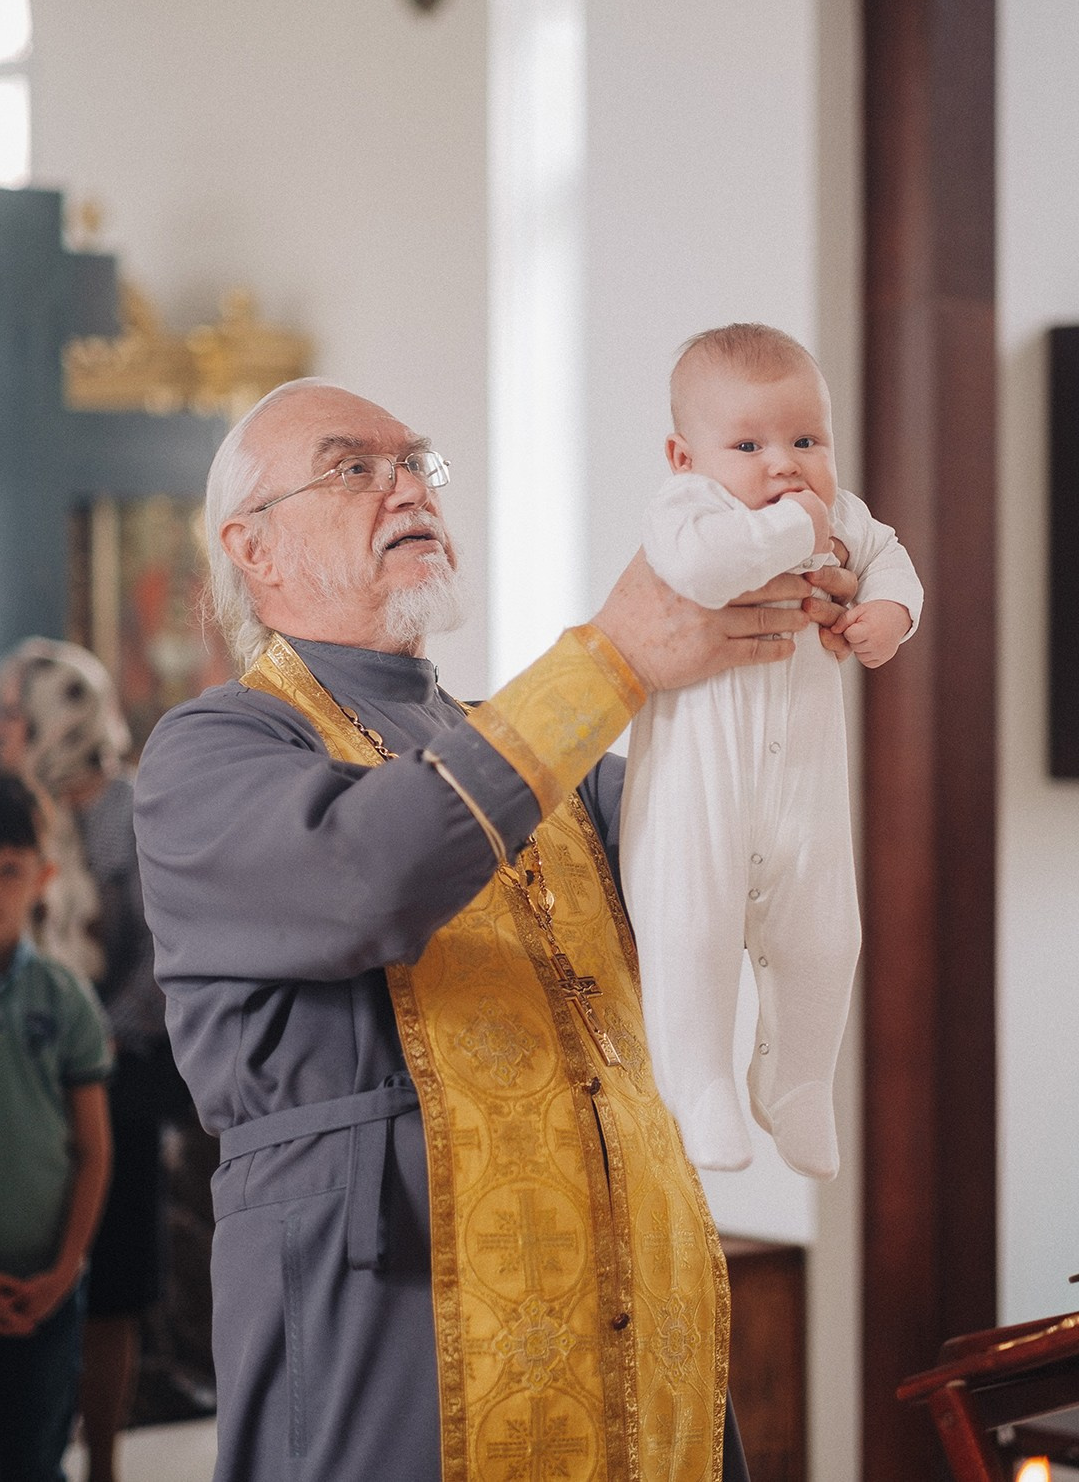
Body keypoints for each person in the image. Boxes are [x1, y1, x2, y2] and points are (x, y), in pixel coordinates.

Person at [133, 376, 857, 1482]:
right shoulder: (212, 751)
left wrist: (787, 633)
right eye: (353, 467)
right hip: (391, 1315)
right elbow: (374, 872)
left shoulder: (546, 766)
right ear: (253, 549)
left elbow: (749, 867)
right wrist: (615, 653)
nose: (408, 487)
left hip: (631, 1316)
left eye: (417, 461)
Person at [620, 324, 923, 1181]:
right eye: (748, 444)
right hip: (697, 787)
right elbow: (707, 571)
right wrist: (802, 532)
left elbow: (892, 560)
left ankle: (797, 1082)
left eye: (805, 440)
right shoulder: (688, 512)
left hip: (805, 788)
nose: (784, 464)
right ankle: (701, 1078)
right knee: (691, 932)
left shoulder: (842, 517)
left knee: (827, 937)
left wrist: (889, 615)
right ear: (685, 456)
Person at [0, 639, 190, 1482]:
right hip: (29, 1067)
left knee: (109, 1281)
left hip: (120, 1069)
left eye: (15, 711)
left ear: (57, 715)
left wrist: (103, 1028)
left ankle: (103, 1461)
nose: (4, 725)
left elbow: (160, 946)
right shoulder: (19, 804)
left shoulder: (126, 808)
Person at [0, 771, 113, 1482]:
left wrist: (63, 1270)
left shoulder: (64, 996)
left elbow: (94, 1153)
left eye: (7, 872)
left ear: (41, 878)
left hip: (48, 1290)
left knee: (35, 1452)